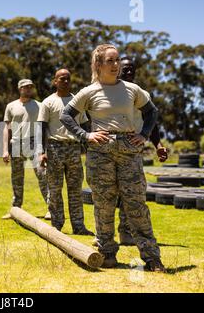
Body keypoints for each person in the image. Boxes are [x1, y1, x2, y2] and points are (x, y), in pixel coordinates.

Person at [60, 44, 166, 272]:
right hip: (100, 152)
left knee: (136, 204)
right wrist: (85, 135)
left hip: (129, 151)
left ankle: (151, 258)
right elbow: (66, 115)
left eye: (117, 60)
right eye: (110, 61)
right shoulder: (89, 91)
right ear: (98, 64)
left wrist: (144, 135)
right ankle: (107, 253)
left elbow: (152, 112)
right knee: (104, 205)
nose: (116, 64)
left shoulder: (132, 89)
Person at [116, 57, 168, 246]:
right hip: (107, 149)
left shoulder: (141, 93)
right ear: (117, 69)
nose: (129, 72)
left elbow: (151, 121)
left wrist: (158, 145)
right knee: (108, 193)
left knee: (131, 192)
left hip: (133, 149)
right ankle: (103, 235)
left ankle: (126, 232)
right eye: (125, 69)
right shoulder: (107, 89)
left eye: (132, 69)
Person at [36, 69, 94, 235]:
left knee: (75, 189)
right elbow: (41, 127)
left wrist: (88, 147)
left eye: (68, 79)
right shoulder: (48, 102)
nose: (66, 82)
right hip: (55, 148)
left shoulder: (77, 102)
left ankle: (78, 226)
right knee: (55, 189)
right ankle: (57, 226)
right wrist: (42, 152)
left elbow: (84, 126)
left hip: (74, 148)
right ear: (55, 81)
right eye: (62, 79)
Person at [1, 79, 49, 219]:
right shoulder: (11, 106)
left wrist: (45, 149)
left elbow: (45, 127)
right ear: (19, 89)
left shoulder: (39, 106)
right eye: (25, 87)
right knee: (16, 177)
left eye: (30, 87)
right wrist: (5, 150)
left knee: (42, 175)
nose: (28, 89)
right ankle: (16, 209)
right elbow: (7, 129)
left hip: (34, 143)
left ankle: (51, 209)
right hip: (16, 143)